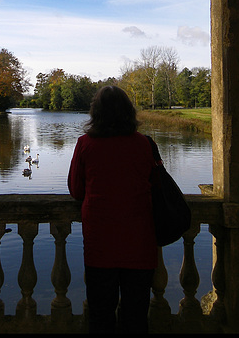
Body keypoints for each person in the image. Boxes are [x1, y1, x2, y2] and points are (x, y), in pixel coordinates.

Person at [67, 85, 159, 334]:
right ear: (128, 112)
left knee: (100, 315)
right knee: (136, 316)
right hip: (139, 239)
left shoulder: (85, 144)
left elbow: (76, 190)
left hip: (100, 241)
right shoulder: (144, 144)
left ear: (96, 113)